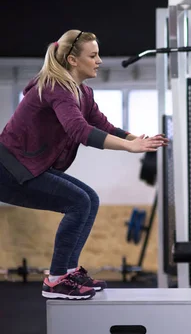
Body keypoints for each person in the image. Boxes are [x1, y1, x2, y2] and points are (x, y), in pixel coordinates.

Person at [0, 29, 169, 300]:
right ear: (73, 60)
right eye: (93, 55)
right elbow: (80, 131)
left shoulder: (82, 93)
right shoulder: (56, 88)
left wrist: (134, 138)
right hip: (9, 169)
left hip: (27, 167)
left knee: (89, 199)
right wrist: (128, 147)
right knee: (78, 202)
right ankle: (56, 280)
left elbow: (102, 125)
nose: (99, 60)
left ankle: (68, 272)